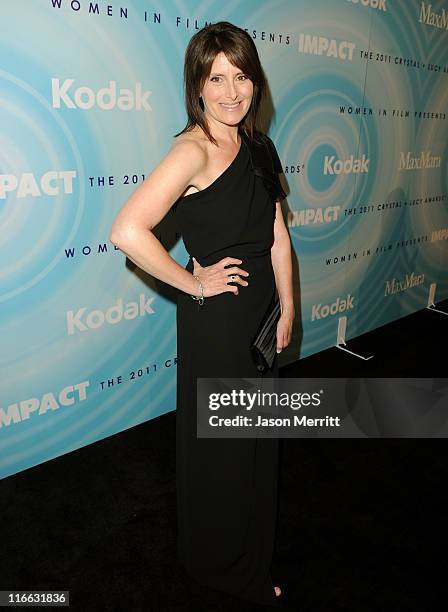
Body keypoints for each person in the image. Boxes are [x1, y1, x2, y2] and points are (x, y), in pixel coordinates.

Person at [110, 21, 294, 607]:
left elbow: (277, 235)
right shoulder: (191, 150)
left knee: (257, 442)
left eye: (241, 76)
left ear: (254, 81)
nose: (231, 91)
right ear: (198, 85)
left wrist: (288, 305)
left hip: (262, 315)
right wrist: (193, 280)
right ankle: (228, 571)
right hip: (218, 326)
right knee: (225, 452)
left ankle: (249, 551)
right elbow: (127, 231)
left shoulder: (258, 144)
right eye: (217, 78)